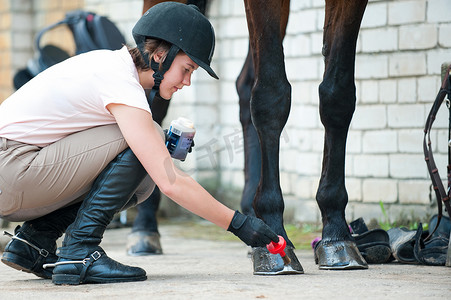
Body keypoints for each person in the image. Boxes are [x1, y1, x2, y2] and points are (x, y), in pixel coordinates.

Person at [0, 2, 278, 285]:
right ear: (160, 56)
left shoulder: (112, 68)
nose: (187, 82)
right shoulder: (120, 82)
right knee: (150, 143)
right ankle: (79, 250)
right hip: (11, 167)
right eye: (186, 69)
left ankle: (34, 242)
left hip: (16, 171)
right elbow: (171, 182)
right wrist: (242, 225)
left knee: (143, 177)